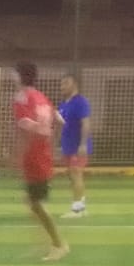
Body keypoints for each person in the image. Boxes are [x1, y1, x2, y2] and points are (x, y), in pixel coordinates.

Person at [12, 62, 68, 261]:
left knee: (36, 204)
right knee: (32, 201)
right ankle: (45, 242)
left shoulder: (22, 98)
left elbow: (25, 129)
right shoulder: (42, 97)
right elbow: (60, 121)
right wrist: (52, 145)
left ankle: (58, 244)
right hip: (43, 155)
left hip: (33, 157)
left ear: (20, 76)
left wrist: (19, 154)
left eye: (15, 74)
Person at [56, 74, 92, 218]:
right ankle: (81, 206)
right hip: (68, 146)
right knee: (72, 176)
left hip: (77, 146)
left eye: (66, 83)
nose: (62, 86)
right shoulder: (63, 104)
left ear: (74, 84)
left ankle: (77, 210)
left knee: (76, 174)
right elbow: (61, 126)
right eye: (61, 84)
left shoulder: (81, 102)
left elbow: (86, 123)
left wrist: (83, 144)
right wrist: (59, 144)